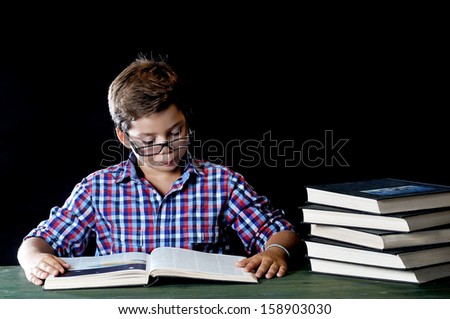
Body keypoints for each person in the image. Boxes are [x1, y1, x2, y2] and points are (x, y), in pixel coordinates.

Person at [17, 54, 302, 286]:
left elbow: (279, 231)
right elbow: (40, 241)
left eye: (176, 133)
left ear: (187, 121)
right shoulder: (96, 189)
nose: (166, 149)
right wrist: (33, 259)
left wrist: (275, 252)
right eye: (148, 141)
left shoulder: (222, 183)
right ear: (124, 138)